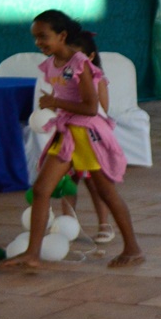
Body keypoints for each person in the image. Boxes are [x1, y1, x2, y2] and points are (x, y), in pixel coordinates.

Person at [9, 10, 143, 268]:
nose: (38, 43)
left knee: (106, 192)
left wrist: (54, 102)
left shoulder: (79, 63)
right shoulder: (51, 65)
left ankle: (133, 248)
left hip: (87, 134)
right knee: (40, 190)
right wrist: (56, 107)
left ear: (62, 35)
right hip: (67, 132)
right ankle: (32, 254)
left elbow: (91, 108)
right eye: (35, 38)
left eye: (43, 37)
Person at [61, 31, 116, 244]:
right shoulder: (63, 79)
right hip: (69, 136)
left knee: (96, 184)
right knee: (67, 181)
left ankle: (104, 223)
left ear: (90, 57)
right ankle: (67, 223)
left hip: (91, 137)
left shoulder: (97, 79)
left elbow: (101, 110)